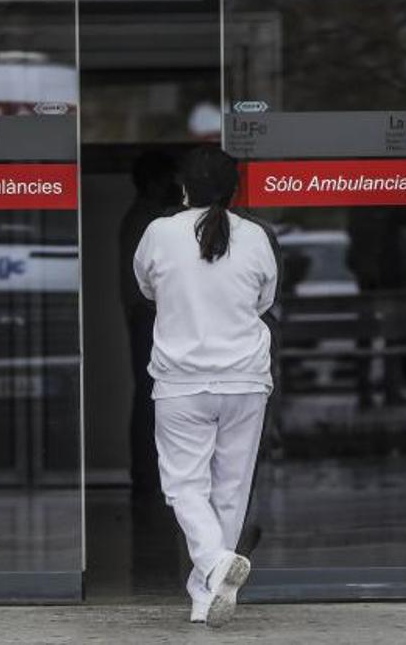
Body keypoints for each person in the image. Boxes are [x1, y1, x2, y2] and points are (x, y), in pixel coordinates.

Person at [133, 146, 279, 627]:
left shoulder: (159, 233)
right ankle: (205, 593)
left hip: (182, 382)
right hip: (244, 379)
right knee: (231, 489)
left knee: (184, 485)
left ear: (183, 188)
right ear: (235, 189)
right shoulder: (255, 236)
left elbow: (147, 288)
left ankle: (214, 564)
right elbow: (264, 300)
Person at [119, 150, 181, 496]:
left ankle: (148, 476)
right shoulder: (149, 222)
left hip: (148, 316)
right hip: (149, 317)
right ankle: (147, 476)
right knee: (151, 397)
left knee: (150, 397)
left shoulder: (145, 219)